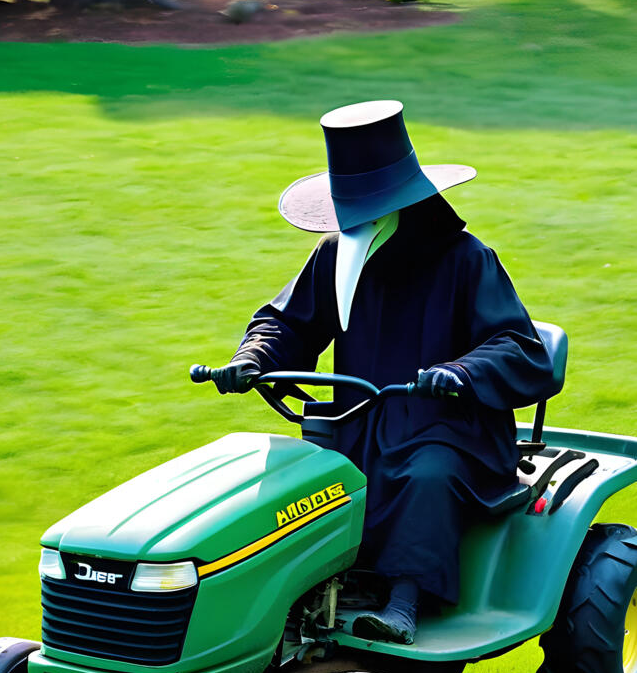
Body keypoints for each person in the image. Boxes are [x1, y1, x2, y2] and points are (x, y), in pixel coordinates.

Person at [210, 101, 556, 645]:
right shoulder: (337, 255)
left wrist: (461, 372)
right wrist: (252, 360)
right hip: (360, 421)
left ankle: (404, 602)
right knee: (299, 479)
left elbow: (520, 348)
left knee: (426, 474)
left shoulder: (467, 259)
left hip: (452, 432)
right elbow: (288, 323)